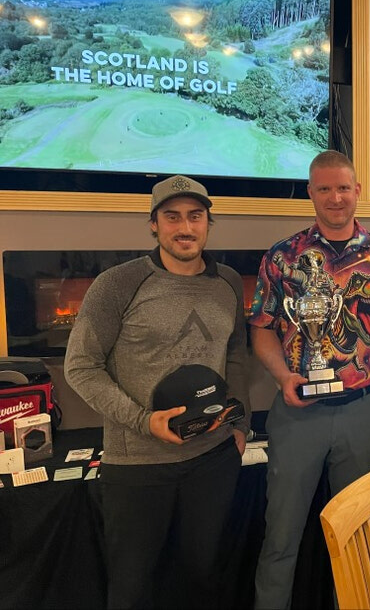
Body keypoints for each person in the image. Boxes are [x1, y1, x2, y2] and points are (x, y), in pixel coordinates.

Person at [64, 175, 251, 609]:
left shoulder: (226, 282)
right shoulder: (118, 283)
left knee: (203, 579)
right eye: (172, 217)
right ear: (153, 224)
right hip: (138, 466)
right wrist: (142, 421)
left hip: (213, 460)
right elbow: (80, 366)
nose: (185, 227)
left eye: (195, 216)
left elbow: (237, 354)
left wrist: (239, 424)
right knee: (132, 589)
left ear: (207, 223)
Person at [250, 150, 370, 609]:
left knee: (356, 539)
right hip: (297, 413)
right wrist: (282, 376)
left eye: (343, 188)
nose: (335, 198)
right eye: (324, 189)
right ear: (311, 193)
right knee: (281, 537)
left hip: (363, 412)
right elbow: (262, 329)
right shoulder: (283, 256)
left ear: (357, 191)